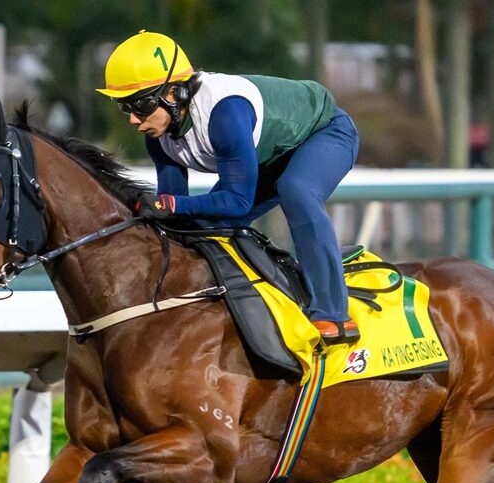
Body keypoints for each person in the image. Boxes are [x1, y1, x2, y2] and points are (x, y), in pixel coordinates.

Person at [98, 30, 360, 345]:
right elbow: (175, 210)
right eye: (124, 107)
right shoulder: (158, 135)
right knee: (201, 225)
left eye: (139, 105)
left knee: (296, 189)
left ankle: (333, 314)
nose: (133, 120)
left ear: (173, 94)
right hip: (270, 153)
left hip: (326, 131)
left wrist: (170, 206)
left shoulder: (224, 113)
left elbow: (237, 202)